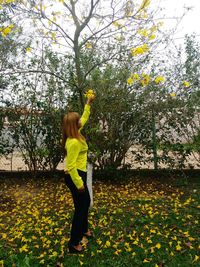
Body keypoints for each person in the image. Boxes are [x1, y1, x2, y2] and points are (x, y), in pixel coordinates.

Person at [62, 95, 95, 253]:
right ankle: (74, 243)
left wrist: (88, 104)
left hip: (75, 175)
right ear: (74, 125)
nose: (80, 122)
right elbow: (71, 165)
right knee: (82, 207)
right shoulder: (74, 142)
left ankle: (83, 229)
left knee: (82, 204)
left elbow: (84, 118)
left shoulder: (75, 133)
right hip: (75, 176)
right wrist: (79, 184)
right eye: (78, 122)